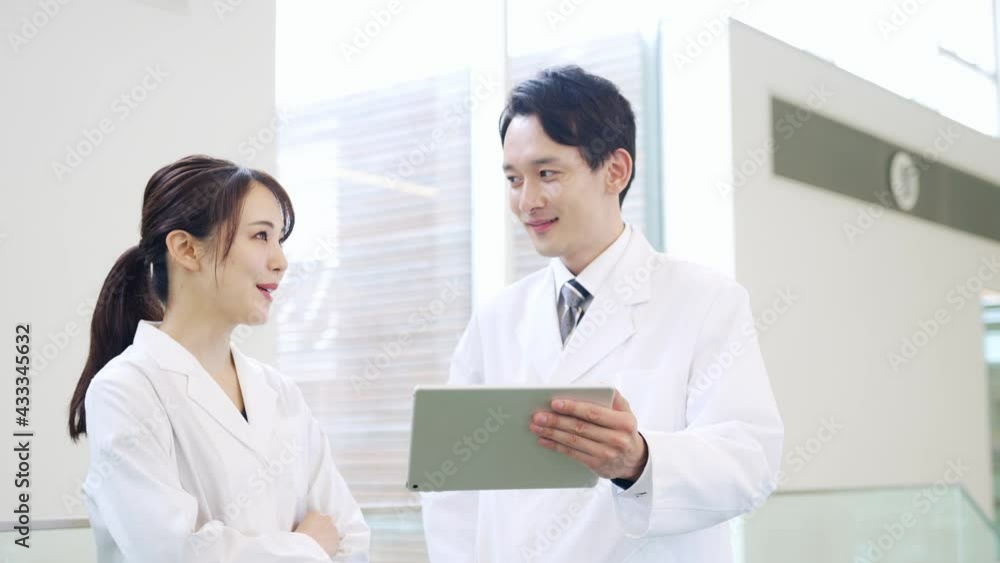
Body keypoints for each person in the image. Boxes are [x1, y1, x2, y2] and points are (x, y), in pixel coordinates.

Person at [421, 66, 784, 562]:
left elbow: (750, 462)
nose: (527, 201)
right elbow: (451, 488)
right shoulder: (496, 320)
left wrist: (639, 460)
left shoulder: (706, 301)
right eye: (513, 179)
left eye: (547, 174)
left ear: (615, 170)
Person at [67, 155, 370, 562]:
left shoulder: (280, 392)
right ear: (186, 249)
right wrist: (309, 547)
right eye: (260, 236)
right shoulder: (124, 391)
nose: (280, 261)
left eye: (280, 239)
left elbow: (349, 535)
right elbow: (174, 553)